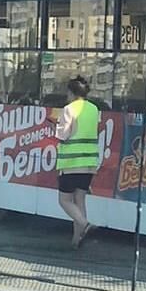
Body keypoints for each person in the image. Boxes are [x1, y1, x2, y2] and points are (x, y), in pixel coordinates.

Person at [55, 76, 100, 249]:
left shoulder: (68, 109)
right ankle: (76, 241)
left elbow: (63, 135)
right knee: (80, 200)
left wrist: (57, 129)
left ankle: (85, 225)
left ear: (72, 93)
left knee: (64, 200)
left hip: (72, 162)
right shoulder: (94, 109)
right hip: (89, 163)